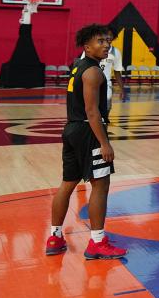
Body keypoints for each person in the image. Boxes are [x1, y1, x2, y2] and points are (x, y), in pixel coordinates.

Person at [46, 24, 127, 260]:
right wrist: (105, 143)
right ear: (87, 46)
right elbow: (92, 111)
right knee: (100, 185)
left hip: (72, 128)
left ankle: (55, 236)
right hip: (87, 130)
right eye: (100, 41)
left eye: (108, 41)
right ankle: (97, 242)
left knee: (67, 183)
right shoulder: (93, 72)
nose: (106, 45)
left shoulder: (77, 66)